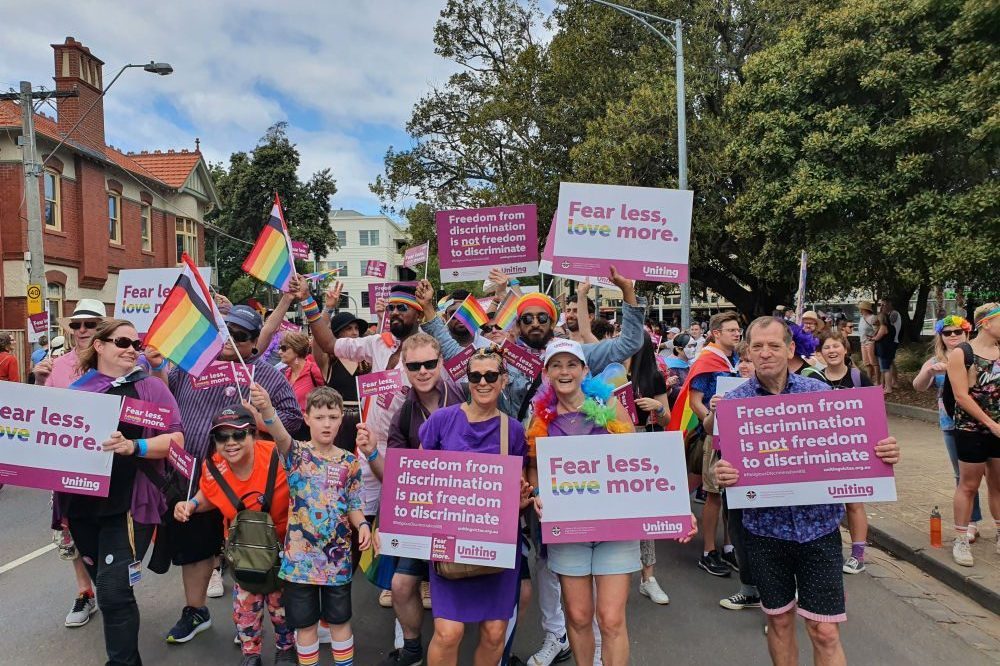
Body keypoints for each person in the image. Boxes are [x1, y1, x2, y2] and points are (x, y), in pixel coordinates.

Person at [715, 316, 900, 666]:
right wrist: (722, 471)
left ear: (790, 349)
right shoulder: (735, 404)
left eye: (773, 345)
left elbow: (852, 446)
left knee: (825, 631)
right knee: (779, 622)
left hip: (819, 530)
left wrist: (883, 452)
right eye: (757, 346)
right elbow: (723, 463)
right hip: (764, 532)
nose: (765, 353)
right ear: (748, 353)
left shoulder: (818, 394)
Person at [527, 338, 694, 665]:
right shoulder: (540, 417)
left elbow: (639, 463)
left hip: (614, 530)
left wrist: (678, 510)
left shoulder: (608, 406)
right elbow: (534, 466)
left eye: (571, 364)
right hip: (569, 528)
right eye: (557, 365)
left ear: (584, 370)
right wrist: (537, 494)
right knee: (577, 615)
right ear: (546, 372)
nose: (564, 372)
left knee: (611, 618)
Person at [149, 304, 303, 644]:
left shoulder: (266, 376)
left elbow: (292, 422)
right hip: (192, 475)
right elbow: (165, 395)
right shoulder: (194, 367)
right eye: (227, 333)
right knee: (195, 547)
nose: (231, 342)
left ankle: (260, 623)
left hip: (248, 481)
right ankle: (196, 610)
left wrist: (261, 415)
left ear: (254, 344)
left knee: (253, 547)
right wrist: (159, 365)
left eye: (241, 337)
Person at [63, 318, 183, 666]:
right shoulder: (78, 390)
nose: (132, 349)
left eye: (137, 344)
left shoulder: (150, 388)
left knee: (114, 592)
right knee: (108, 586)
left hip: (132, 503)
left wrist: (135, 445)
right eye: (123, 342)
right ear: (99, 346)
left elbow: (177, 441)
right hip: (84, 504)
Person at [416, 347, 531, 666]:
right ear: (467, 380)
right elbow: (417, 478)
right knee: (448, 633)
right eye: (475, 376)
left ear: (503, 380)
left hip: (497, 542)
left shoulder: (514, 430)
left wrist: (521, 502)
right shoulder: (442, 421)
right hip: (449, 540)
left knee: (495, 632)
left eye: (490, 375)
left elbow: (517, 488)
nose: (482, 382)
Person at [247, 383, 369, 666]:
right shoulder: (296, 454)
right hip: (299, 562)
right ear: (307, 417)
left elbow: (354, 504)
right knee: (305, 626)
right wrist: (266, 407)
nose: (327, 424)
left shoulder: (350, 461)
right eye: (320, 417)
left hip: (337, 561)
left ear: (342, 419)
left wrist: (362, 525)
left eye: (333, 417)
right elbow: (278, 431)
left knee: (340, 621)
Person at [367, 334, 464, 666]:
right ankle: (411, 648)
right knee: (400, 585)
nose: (423, 371)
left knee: (456, 583)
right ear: (404, 369)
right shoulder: (403, 415)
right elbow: (394, 478)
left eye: (429, 363)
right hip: (423, 516)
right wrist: (370, 454)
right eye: (414, 365)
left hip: (465, 513)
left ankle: (475, 645)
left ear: (440, 362)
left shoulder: (465, 396)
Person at [173, 405, 296, 666]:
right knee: (245, 609)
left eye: (239, 435)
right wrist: (191, 505)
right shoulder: (213, 467)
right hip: (243, 552)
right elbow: (210, 493)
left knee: (282, 608)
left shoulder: (278, 455)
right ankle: (251, 655)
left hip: (284, 549)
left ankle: (286, 650)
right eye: (222, 437)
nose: (230, 443)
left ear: (253, 434)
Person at [32, 299, 106, 627]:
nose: (81, 330)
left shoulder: (116, 361)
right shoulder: (57, 365)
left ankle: (114, 589)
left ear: (102, 327)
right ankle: (84, 593)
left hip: (109, 463)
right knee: (71, 531)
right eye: (76, 325)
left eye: (89, 324)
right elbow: (38, 414)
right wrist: (37, 380)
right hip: (67, 466)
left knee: (110, 530)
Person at [678, 312, 742, 577]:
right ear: (717, 333)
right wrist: (712, 423)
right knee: (714, 494)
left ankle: (729, 547)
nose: (737, 334)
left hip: (737, 434)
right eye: (731, 330)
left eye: (738, 330)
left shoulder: (735, 359)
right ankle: (708, 551)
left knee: (735, 494)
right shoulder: (708, 360)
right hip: (714, 435)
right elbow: (695, 401)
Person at [913, 316, 983, 543]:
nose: (953, 336)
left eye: (958, 332)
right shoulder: (936, 360)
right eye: (948, 333)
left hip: (983, 422)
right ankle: (970, 522)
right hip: (952, 424)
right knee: (963, 476)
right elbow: (918, 386)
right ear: (941, 337)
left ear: (966, 334)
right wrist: (930, 372)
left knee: (992, 477)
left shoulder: (977, 356)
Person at [815, 329, 875, 574]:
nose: (831, 351)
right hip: (822, 450)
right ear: (820, 352)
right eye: (827, 347)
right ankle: (829, 551)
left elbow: (873, 413)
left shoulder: (859, 377)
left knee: (853, 502)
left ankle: (858, 554)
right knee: (825, 503)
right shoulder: (814, 380)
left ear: (845, 349)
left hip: (852, 449)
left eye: (836, 346)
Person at [948, 303, 1000, 567]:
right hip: (971, 429)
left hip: (998, 429)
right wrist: (990, 423)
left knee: (998, 483)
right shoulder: (962, 353)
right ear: (986, 324)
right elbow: (960, 395)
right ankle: (960, 539)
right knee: (968, 484)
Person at [625, 334, 672, 605]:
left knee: (645, 514)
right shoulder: (608, 372)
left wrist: (657, 407)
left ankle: (648, 577)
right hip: (612, 445)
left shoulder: (652, 377)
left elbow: (666, 417)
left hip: (643, 442)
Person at [280, 331, 325, 412]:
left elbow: (328, 396)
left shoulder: (313, 370)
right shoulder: (286, 373)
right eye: (279, 348)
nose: (279, 352)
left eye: (284, 349)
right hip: (290, 421)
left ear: (296, 349)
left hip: (309, 422)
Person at [873, 301, 899, 394]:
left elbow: (877, 337)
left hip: (883, 350)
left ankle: (888, 388)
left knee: (885, 369)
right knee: (887, 366)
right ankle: (888, 386)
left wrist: (873, 338)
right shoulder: (892, 327)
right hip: (889, 348)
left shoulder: (883, 327)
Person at [857, 300, 879, 384]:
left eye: (861, 308)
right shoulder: (861, 318)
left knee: (874, 362)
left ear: (865, 309)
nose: (860, 310)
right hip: (862, 342)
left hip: (870, 343)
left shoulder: (873, 317)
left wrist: (873, 337)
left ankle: (878, 381)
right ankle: (869, 380)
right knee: (866, 363)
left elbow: (877, 329)